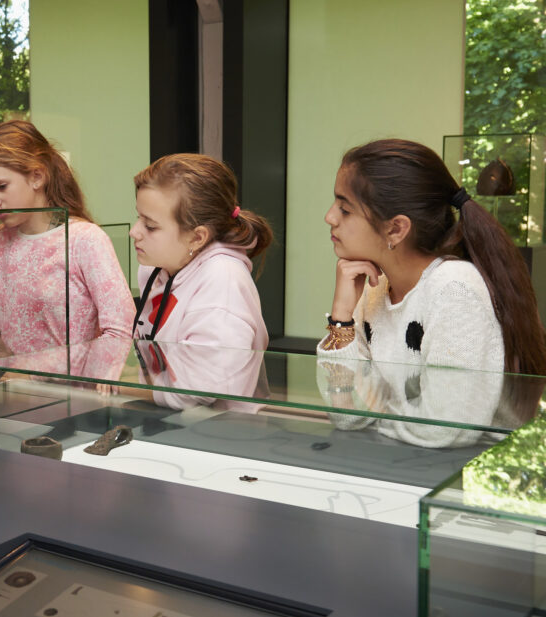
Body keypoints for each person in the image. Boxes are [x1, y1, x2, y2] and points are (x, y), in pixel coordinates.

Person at [317, 138, 546, 447]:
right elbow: (348, 417)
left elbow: (443, 431)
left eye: (345, 209)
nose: (330, 217)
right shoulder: (374, 289)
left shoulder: (454, 288)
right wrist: (342, 319)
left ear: (396, 229)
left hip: (461, 478)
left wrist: (376, 417)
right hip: (406, 462)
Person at [0, 120, 135, 354]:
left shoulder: (85, 239)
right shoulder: (1, 237)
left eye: (1, 186)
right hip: (10, 385)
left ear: (37, 176)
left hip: (70, 387)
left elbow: (120, 330)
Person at [128, 153, 272, 409]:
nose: (134, 232)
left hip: (215, 437)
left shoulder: (222, 283)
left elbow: (197, 392)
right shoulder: (156, 268)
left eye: (150, 225)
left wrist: (121, 387)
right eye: (139, 217)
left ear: (197, 238)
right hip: (167, 421)